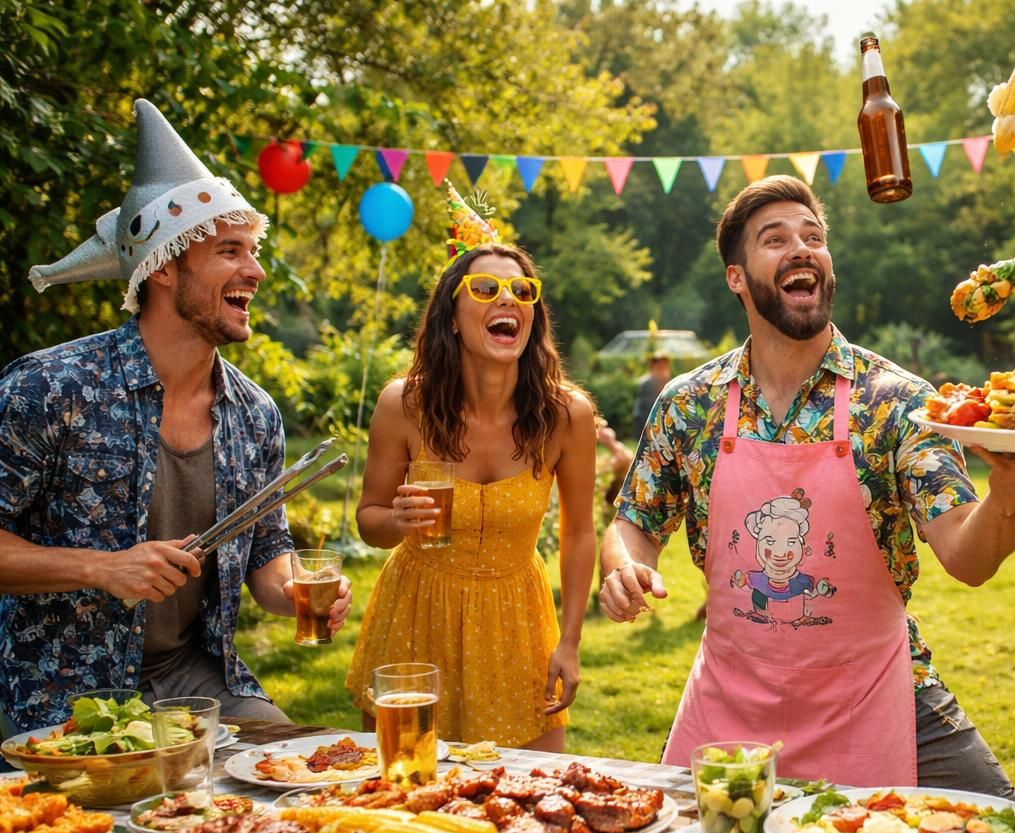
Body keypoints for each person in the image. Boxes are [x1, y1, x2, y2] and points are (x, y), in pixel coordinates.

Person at [598, 175, 1015, 793]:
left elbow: (968, 560)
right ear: (737, 277)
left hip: (880, 692)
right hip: (731, 705)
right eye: (775, 239)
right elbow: (634, 523)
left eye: (814, 236)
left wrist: (1009, 496)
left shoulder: (900, 403)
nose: (802, 248)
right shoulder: (690, 404)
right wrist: (623, 566)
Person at [0, 99, 352, 734]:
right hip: (64, 688)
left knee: (309, 775)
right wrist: (103, 569)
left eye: (252, 250)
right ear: (163, 267)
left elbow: (266, 553)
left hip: (197, 678)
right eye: (230, 251)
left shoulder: (254, 413)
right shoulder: (50, 388)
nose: (256, 269)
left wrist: (294, 593)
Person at [346, 185, 595, 752]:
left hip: (518, 621)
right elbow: (369, 520)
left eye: (520, 290)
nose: (507, 299)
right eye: (485, 288)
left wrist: (571, 640)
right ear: (452, 317)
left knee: (534, 798)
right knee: (402, 794)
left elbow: (581, 533)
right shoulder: (402, 405)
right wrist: (397, 519)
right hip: (416, 616)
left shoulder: (566, 416)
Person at [632, 350, 672, 439]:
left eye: (664, 366)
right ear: (653, 366)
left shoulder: (670, 383)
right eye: (659, 366)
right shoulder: (645, 383)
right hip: (646, 420)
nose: (662, 369)